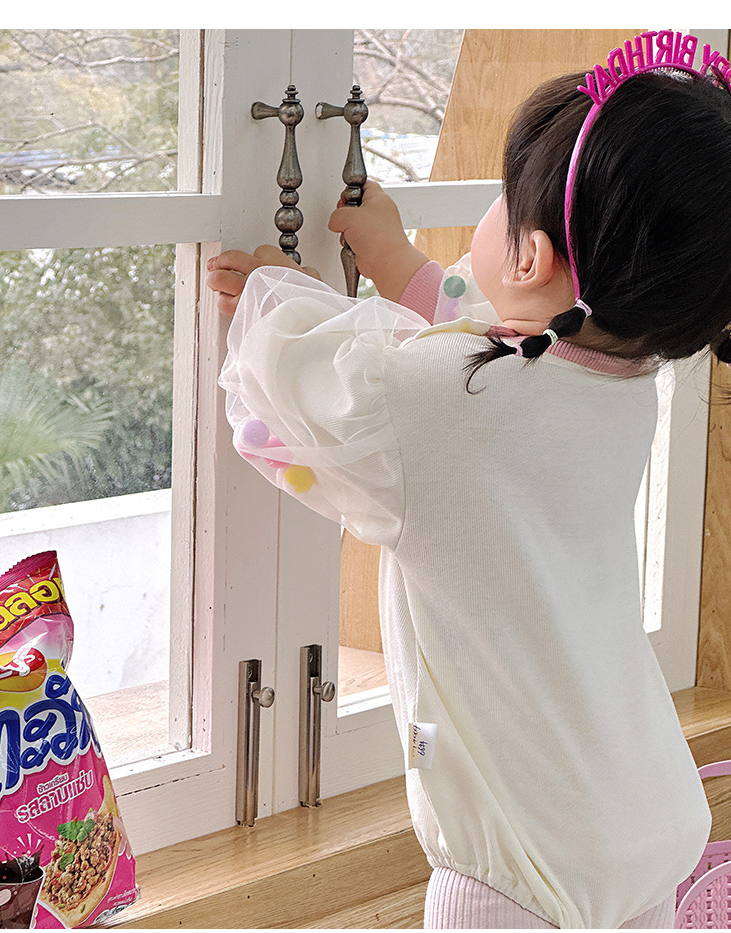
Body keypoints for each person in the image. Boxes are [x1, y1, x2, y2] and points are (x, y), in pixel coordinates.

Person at [206, 31, 731, 929]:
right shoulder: (625, 378)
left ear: (529, 257)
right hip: (645, 820)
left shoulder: (436, 401)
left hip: (517, 869)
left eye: (503, 198)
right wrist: (394, 262)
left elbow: (320, 387)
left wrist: (277, 295)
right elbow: (498, 346)